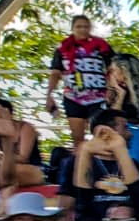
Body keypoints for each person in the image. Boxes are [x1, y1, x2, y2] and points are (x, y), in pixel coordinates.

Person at [46, 15, 113, 148]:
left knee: (102, 136)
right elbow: (55, 73)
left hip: (98, 97)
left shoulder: (101, 46)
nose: (82, 29)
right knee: (78, 141)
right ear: (72, 28)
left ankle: (100, 166)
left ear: (90, 28)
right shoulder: (62, 49)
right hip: (73, 97)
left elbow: (113, 68)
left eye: (86, 26)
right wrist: (49, 95)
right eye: (79, 26)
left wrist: (112, 89)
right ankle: (80, 167)